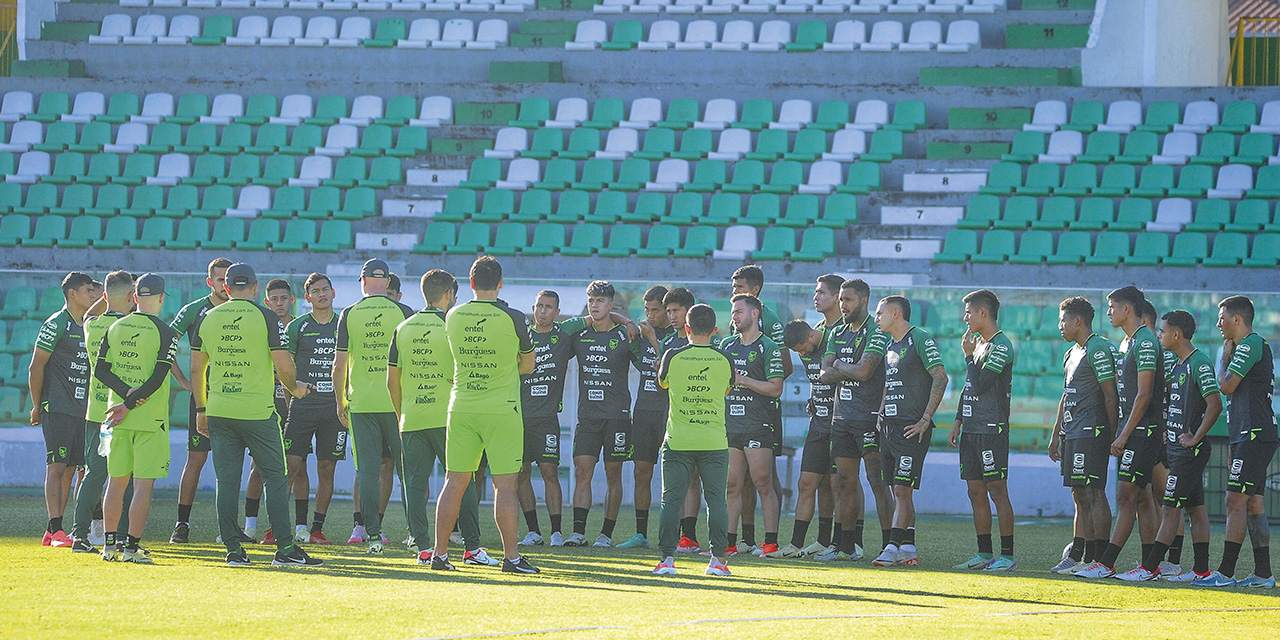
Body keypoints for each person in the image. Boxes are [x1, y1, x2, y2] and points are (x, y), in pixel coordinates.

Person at [192, 263, 320, 567]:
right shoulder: (266, 317)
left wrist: (201, 408)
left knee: (227, 481)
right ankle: (285, 550)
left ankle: (233, 551)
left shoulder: (207, 317)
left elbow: (197, 369)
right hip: (258, 413)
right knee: (276, 477)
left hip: (219, 410)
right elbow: (284, 366)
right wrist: (297, 388)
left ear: (226, 288)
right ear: (255, 287)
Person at [429, 255, 539, 574]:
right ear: (501, 283)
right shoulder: (514, 317)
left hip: (462, 406)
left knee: (454, 482)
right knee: (504, 487)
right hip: (501, 409)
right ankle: (512, 559)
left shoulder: (452, 315)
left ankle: (439, 555)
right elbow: (528, 365)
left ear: (471, 283)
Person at [389, 269, 495, 567]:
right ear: (449, 294)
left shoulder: (403, 327)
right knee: (462, 481)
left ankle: (423, 549)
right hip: (451, 417)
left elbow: (391, 381)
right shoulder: (452, 326)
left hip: (412, 419)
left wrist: (401, 415)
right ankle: (472, 550)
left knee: (413, 484)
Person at [1118, 309, 1220, 582]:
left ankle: (1150, 568)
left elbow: (1215, 404)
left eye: (1162, 331)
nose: (1159, 335)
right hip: (1177, 449)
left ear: (1176, 334)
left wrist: (1196, 437)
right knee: (1195, 508)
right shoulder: (1177, 364)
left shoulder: (1199, 363)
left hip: (1190, 451)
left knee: (1170, 508)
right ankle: (1201, 570)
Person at [1077, 286, 1164, 579]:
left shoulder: (1147, 341)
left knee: (1126, 496)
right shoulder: (1129, 342)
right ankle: (1149, 565)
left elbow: (1144, 394)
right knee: (1140, 498)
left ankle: (1107, 563)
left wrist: (1123, 434)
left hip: (1143, 431)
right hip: (1136, 431)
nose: (1109, 312)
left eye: (1112, 307)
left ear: (1128, 308)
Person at [95, 273, 180, 564]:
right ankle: (131, 548)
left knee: (115, 484)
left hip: (115, 417)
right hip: (149, 419)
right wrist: (131, 403)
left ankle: (108, 548)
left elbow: (101, 371)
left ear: (134, 297)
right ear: (160, 298)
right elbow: (157, 378)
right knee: (143, 486)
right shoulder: (166, 332)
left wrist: (123, 398)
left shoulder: (115, 326)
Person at [1195, 296, 1278, 588]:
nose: (1218, 323)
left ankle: (1226, 573)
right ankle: (1264, 575)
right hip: (1248, 434)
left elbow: (1226, 386)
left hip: (1255, 434)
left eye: (1222, 317)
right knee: (1253, 504)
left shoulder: (1251, 344)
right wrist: (1233, 446)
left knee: (1233, 501)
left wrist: (1224, 360)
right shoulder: (1247, 346)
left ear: (1238, 320)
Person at [333, 259, 414, 554]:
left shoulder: (349, 313)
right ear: (388, 282)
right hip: (398, 403)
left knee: (366, 471)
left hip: (362, 403)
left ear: (363, 280)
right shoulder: (404, 312)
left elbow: (338, 365)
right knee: (408, 471)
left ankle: (373, 534)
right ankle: (414, 535)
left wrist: (339, 402)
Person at [565, 281, 653, 548]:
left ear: (610, 304)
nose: (595, 305)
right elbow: (556, 331)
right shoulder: (579, 335)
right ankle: (578, 533)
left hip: (617, 416)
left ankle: (605, 534)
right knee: (582, 471)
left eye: (600, 301)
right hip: (588, 416)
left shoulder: (624, 336)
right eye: (591, 300)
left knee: (613, 474)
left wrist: (626, 322)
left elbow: (647, 365)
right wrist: (620, 317)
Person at [653, 304, 734, 578]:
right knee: (717, 502)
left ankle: (666, 560)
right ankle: (718, 561)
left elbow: (661, 384)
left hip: (678, 441)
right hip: (714, 441)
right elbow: (726, 389)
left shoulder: (672, 355)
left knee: (671, 502)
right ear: (714, 330)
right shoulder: (725, 359)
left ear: (686, 328)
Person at [869, 296, 948, 568]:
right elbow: (888, 386)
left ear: (895, 313)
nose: (876, 318)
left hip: (911, 429)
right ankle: (908, 546)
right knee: (899, 490)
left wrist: (926, 419)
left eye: (879, 313)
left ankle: (891, 547)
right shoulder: (891, 345)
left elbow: (940, 376)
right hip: (889, 428)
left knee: (902, 490)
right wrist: (880, 417)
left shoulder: (920, 339)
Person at [819, 279, 893, 561]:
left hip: (870, 418)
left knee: (878, 482)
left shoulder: (876, 331)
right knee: (844, 482)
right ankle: (846, 547)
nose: (843, 305)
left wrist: (839, 365)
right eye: (841, 300)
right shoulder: (836, 331)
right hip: (842, 418)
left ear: (863, 301)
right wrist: (842, 366)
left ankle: (890, 545)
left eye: (847, 300)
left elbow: (866, 372)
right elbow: (824, 374)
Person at [1048, 297, 1118, 575]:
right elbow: (1066, 396)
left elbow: (1110, 395)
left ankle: (1099, 558)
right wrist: (1055, 436)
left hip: (1094, 431)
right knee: (1078, 493)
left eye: (1063, 320)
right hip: (1072, 432)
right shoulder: (1071, 353)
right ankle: (1081, 554)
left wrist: (1114, 435)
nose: (1059, 326)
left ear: (1078, 321)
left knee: (1093, 492)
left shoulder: (1098, 347)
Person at [949, 289, 1017, 572]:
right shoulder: (978, 345)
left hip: (992, 429)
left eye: (968, 312)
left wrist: (967, 356)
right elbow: (968, 388)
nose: (965, 318)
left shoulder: (1001, 346)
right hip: (972, 428)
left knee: (997, 491)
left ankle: (1008, 556)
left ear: (983, 313)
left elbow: (981, 384)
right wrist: (957, 421)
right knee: (975, 492)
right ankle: (984, 553)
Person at [779, 274, 844, 558]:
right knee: (808, 483)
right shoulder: (814, 330)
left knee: (841, 483)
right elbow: (817, 377)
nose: (816, 297)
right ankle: (798, 544)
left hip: (844, 421)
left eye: (821, 292)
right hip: (818, 420)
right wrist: (812, 396)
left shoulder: (842, 334)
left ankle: (843, 542)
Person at [71, 271, 134, 553]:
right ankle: (121, 537)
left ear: (105, 295)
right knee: (125, 475)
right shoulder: (133, 328)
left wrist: (104, 301)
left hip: (96, 410)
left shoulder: (92, 325)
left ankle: (79, 535)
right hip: (123, 410)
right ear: (132, 296)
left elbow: (87, 316)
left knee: (95, 474)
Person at [170, 257, 232, 544]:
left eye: (228, 279)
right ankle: (182, 524)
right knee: (196, 459)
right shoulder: (194, 310)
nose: (224, 285)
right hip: (204, 400)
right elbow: (165, 343)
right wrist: (184, 381)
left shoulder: (244, 310)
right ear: (210, 282)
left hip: (237, 397)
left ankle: (232, 528)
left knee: (230, 464)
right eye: (219, 280)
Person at [30, 271, 95, 547]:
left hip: (82, 408)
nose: (93, 295)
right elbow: (36, 366)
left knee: (71, 469)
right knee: (56, 466)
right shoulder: (57, 323)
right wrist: (36, 406)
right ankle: (56, 528)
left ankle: (53, 531)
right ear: (72, 294)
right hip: (56, 405)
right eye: (88, 291)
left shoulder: (90, 324)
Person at [728, 266, 789, 556]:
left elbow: (778, 381)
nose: (734, 315)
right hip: (731, 422)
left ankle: (771, 541)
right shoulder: (728, 342)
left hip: (760, 419)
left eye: (739, 287)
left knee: (764, 480)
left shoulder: (770, 338)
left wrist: (745, 381)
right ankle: (735, 541)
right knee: (733, 483)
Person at [283, 273, 344, 545]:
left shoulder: (344, 324)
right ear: (308, 297)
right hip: (303, 406)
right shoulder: (297, 327)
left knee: (326, 468)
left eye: (325, 289)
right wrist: (291, 402)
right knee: (291, 467)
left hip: (333, 408)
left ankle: (316, 529)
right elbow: (285, 369)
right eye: (316, 291)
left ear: (333, 293)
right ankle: (280, 528)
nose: (322, 294)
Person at [620, 285, 676, 549]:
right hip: (644, 411)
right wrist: (630, 323)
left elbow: (669, 367)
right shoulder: (639, 335)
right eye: (647, 310)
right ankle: (641, 534)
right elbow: (610, 315)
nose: (650, 315)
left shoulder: (678, 336)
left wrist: (653, 337)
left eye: (656, 310)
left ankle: (681, 535)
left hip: (671, 413)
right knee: (641, 471)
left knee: (676, 475)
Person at [248, 278, 296, 546]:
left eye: (284, 298)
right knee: (259, 467)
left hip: (294, 407)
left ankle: (299, 528)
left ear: (292, 300)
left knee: (296, 468)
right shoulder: (259, 323)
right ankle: (251, 526)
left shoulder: (299, 327)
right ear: (266, 301)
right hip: (264, 404)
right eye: (274, 299)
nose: (279, 303)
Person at [662, 287, 708, 555]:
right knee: (675, 480)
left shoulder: (702, 342)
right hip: (671, 418)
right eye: (669, 311)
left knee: (692, 479)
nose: (672, 315)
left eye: (676, 310)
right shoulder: (669, 343)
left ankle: (688, 535)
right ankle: (675, 533)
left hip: (698, 420)